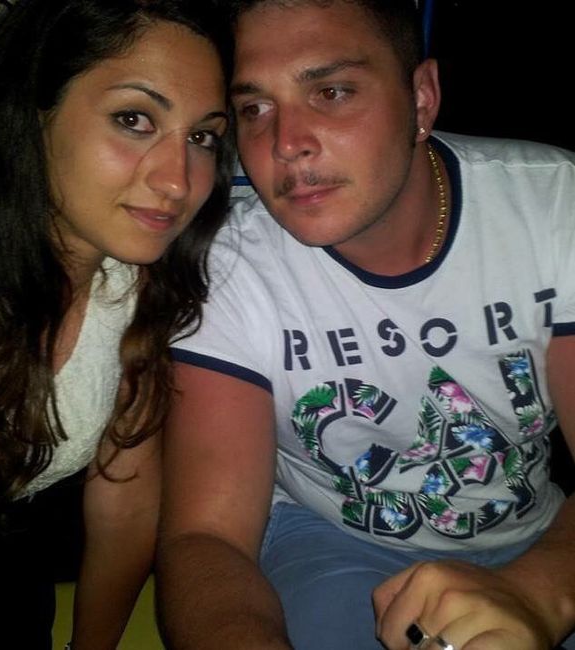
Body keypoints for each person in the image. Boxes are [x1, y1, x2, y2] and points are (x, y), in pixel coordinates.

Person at [154, 1, 575, 649]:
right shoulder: (229, 264)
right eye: (255, 108)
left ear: (422, 98)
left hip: (542, 536)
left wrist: (537, 594)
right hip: (328, 537)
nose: (285, 142)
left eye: (331, 92)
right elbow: (207, 538)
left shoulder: (552, 206)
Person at [0, 0, 233, 648]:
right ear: (34, 111)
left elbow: (125, 501)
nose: (178, 181)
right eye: (134, 119)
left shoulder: (137, 289)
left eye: (202, 137)